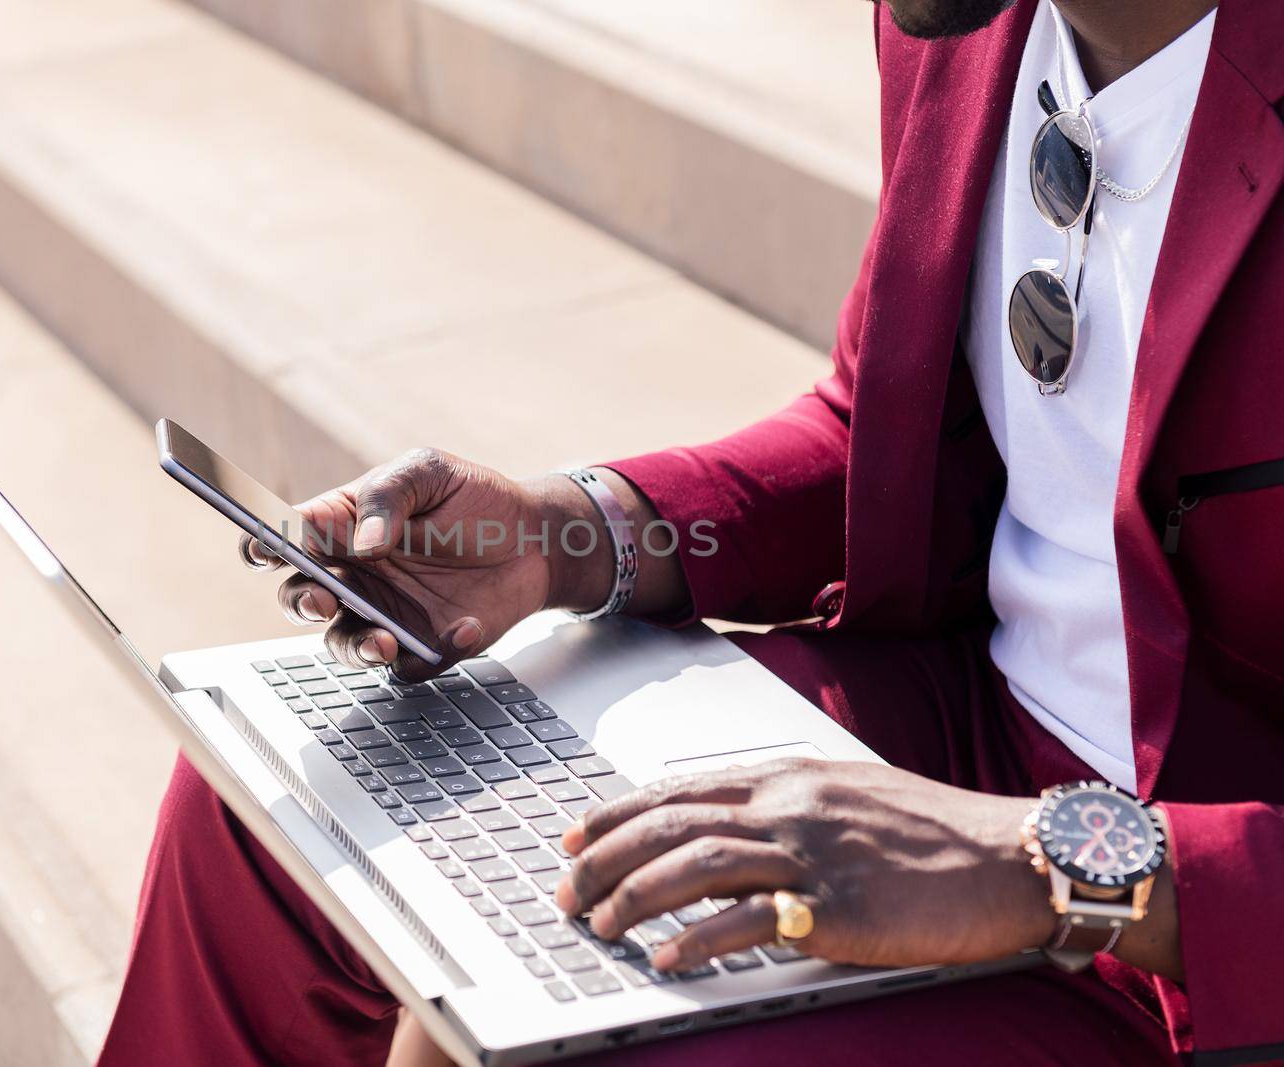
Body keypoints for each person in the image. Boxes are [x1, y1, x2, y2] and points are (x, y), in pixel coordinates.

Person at [97, 0, 1284, 1063]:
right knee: (274, 807)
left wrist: (1051, 860)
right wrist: (572, 533)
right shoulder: (963, 24)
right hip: (959, 717)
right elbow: (890, 422)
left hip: (1199, 910)